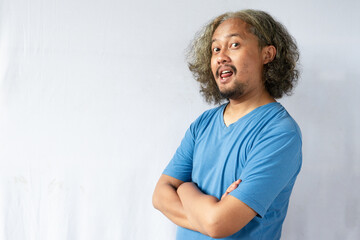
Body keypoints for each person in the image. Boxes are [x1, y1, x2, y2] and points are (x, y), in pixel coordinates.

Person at [152, 9, 302, 240]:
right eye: (215, 49)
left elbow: (219, 225)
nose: (221, 56)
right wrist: (207, 212)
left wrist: (184, 189)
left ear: (267, 54)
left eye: (234, 45)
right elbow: (160, 196)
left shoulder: (280, 133)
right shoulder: (202, 124)